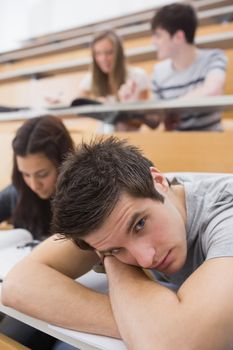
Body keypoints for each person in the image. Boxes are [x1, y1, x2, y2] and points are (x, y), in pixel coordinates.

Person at [2, 136, 233, 349]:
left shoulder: (225, 215)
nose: (145, 258)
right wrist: (137, 321)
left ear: (160, 182)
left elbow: (175, 345)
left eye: (140, 225)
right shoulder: (120, 204)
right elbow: (17, 285)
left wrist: (147, 324)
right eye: (113, 249)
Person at [0, 115, 75, 350]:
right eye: (25, 174)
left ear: (63, 162)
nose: (34, 184)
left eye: (42, 174)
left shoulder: (84, 196)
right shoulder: (18, 193)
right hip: (23, 290)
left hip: (66, 297)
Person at [149, 2, 228, 131]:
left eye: (158, 36)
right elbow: (155, 120)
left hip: (212, 144)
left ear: (178, 37)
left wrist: (172, 107)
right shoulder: (158, 72)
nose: (153, 42)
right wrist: (132, 100)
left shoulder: (214, 58)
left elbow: (213, 90)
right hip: (177, 145)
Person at [77, 29, 150, 131]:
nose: (103, 59)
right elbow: (77, 106)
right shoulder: (91, 78)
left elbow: (142, 121)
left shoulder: (138, 76)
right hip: (104, 139)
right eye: (98, 54)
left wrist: (122, 111)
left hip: (130, 138)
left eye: (109, 53)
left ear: (119, 53)